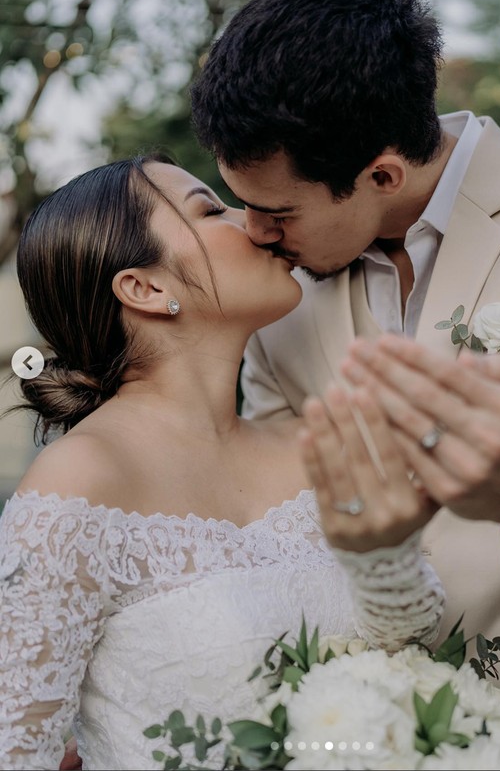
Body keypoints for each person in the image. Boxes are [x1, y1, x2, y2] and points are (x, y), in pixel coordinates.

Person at [189, 0, 500, 770]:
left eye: (277, 211)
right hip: (357, 731)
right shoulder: (276, 302)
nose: (253, 233)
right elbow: (279, 534)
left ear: (383, 175)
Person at [0, 155, 445, 770]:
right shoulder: (80, 482)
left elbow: (418, 652)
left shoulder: (312, 447)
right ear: (146, 288)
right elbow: (17, 752)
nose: (258, 225)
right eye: (212, 209)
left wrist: (386, 558)